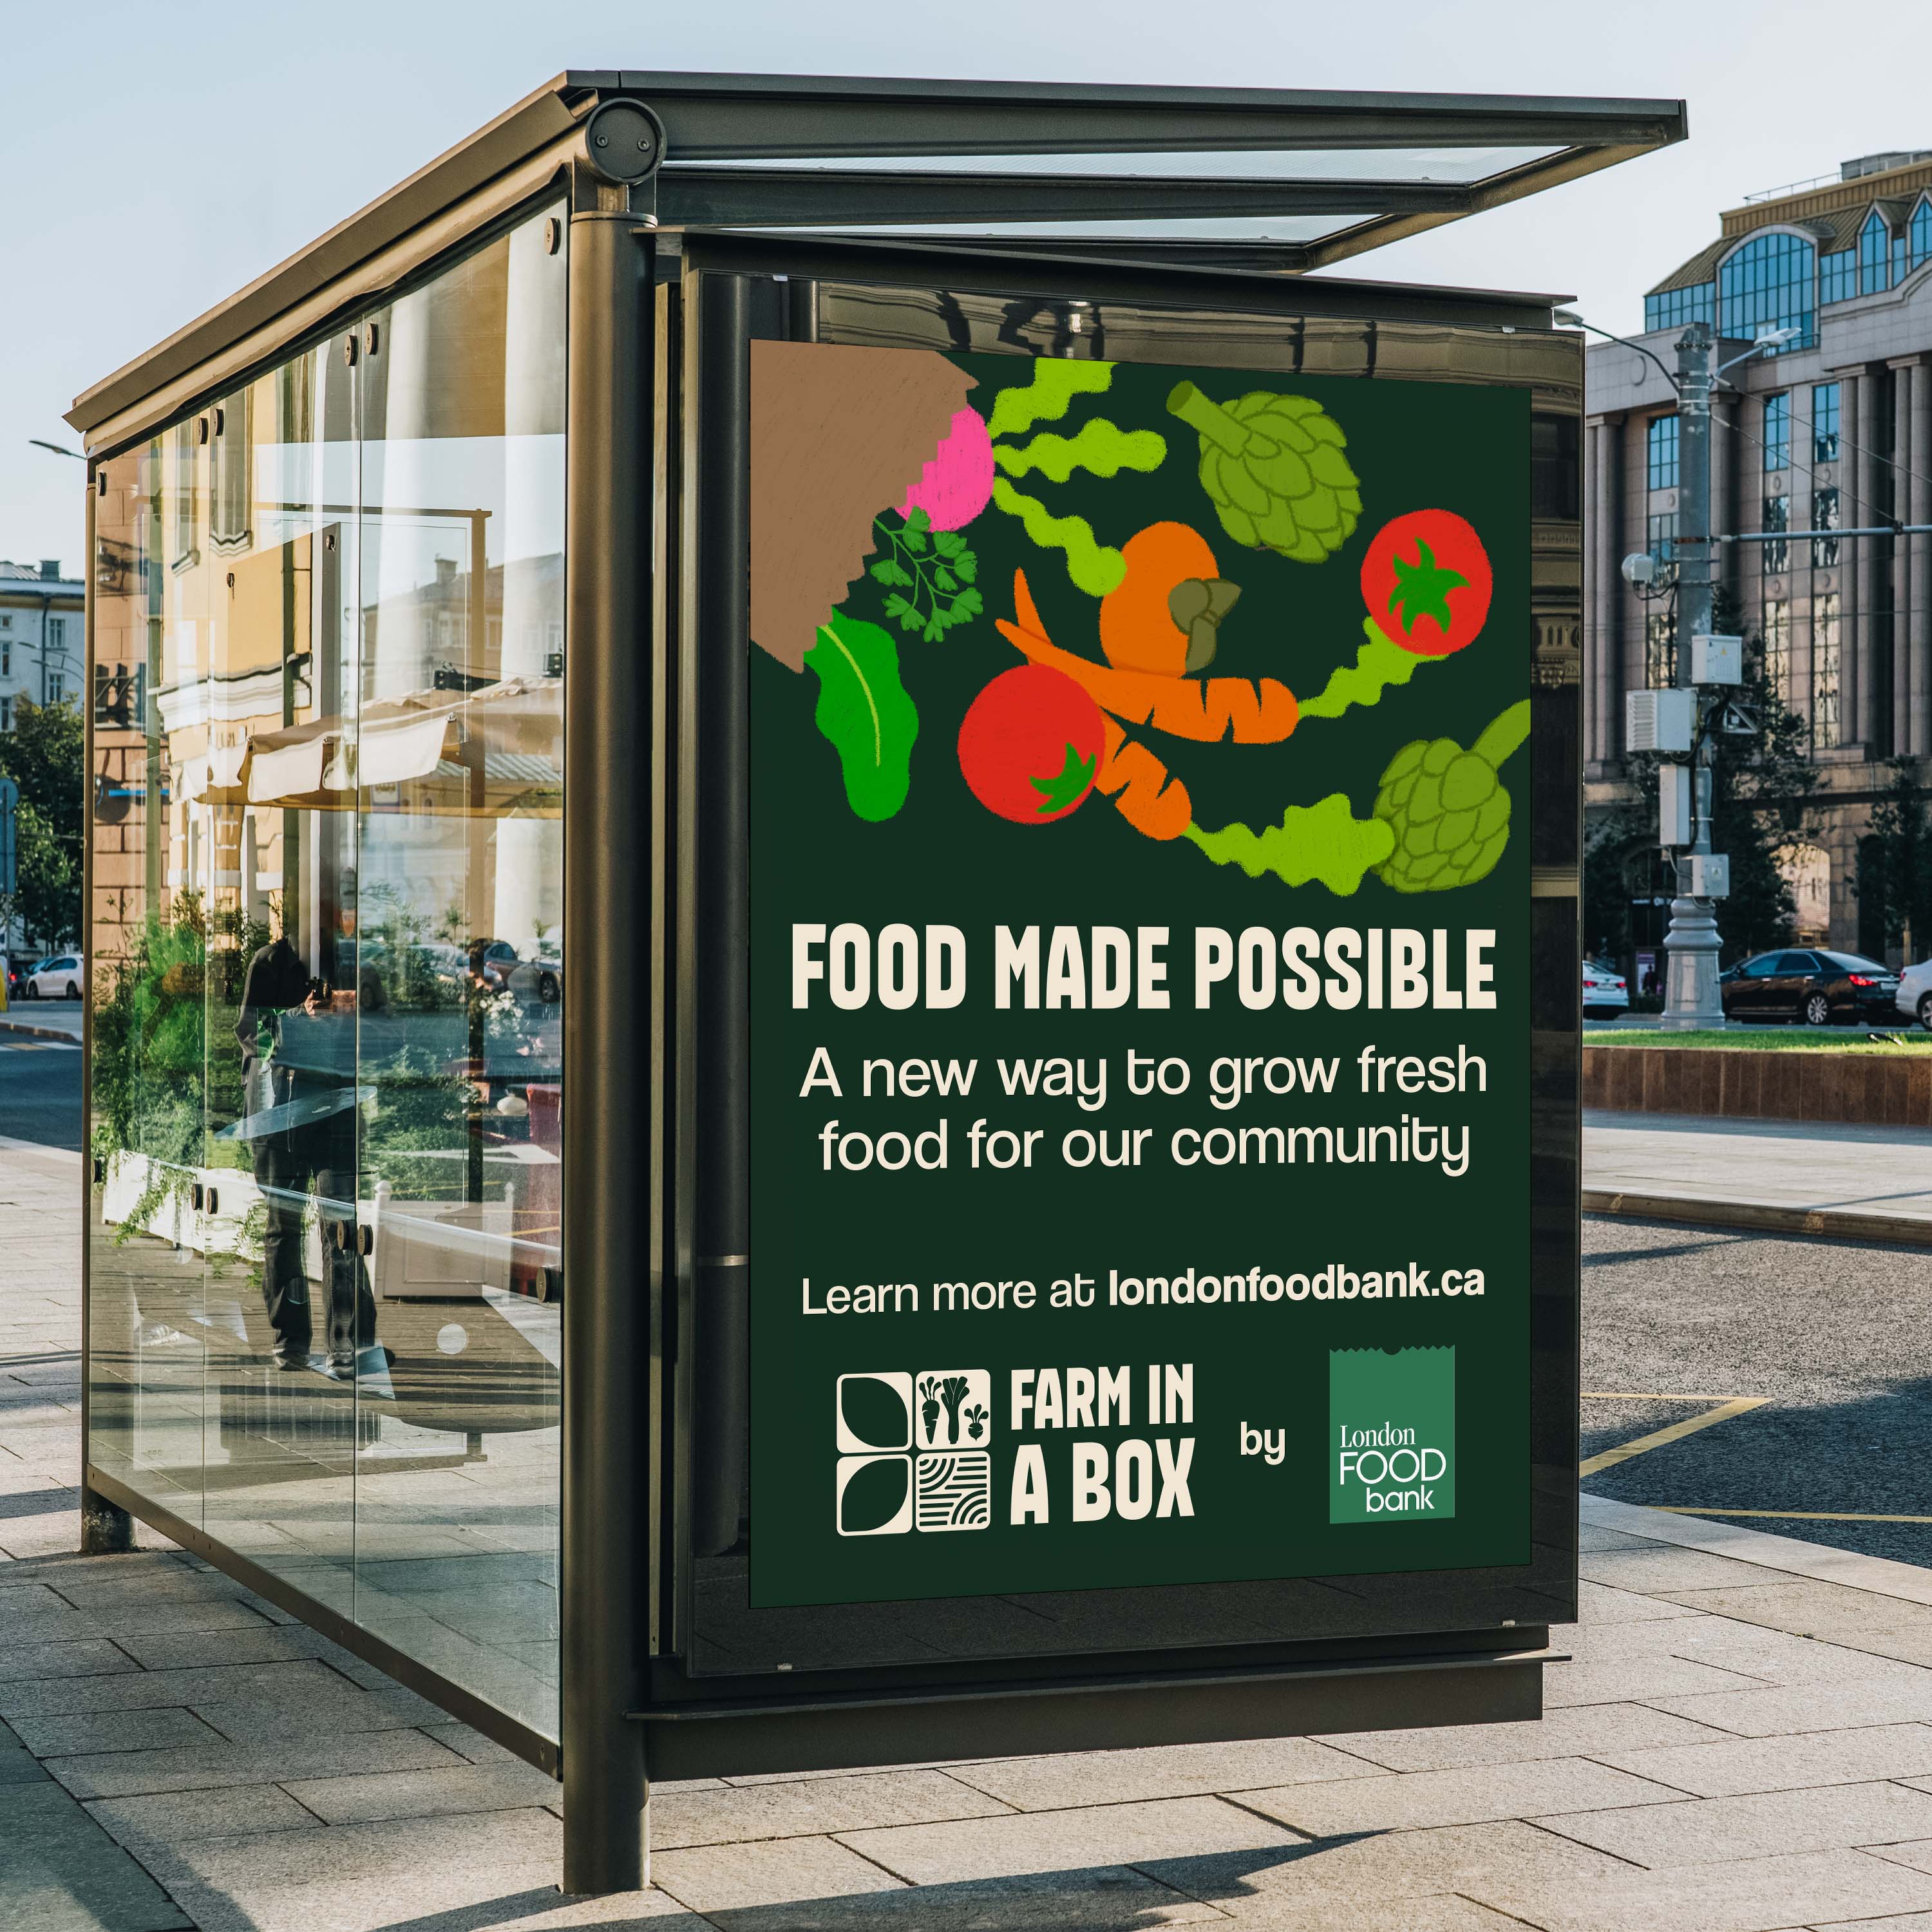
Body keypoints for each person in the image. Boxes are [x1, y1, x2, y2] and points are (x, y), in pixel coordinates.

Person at [235, 935, 377, 1374]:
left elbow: (391, 1034)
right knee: (284, 1228)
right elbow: (251, 1036)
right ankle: (291, 1342)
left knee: (342, 1228)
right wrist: (301, 1015)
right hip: (280, 1113)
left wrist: (355, 1014)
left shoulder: (354, 962)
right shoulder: (270, 963)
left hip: (335, 1112)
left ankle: (348, 1344)